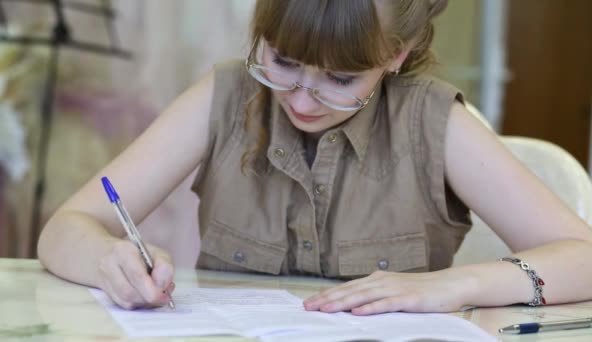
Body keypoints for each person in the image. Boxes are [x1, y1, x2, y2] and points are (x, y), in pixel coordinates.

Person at [38, 0, 592, 315]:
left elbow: (584, 257)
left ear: (395, 56)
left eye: (341, 79)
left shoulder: (435, 122)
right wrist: (110, 260)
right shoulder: (225, 95)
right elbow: (65, 228)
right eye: (282, 62)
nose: (302, 99)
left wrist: (456, 285)